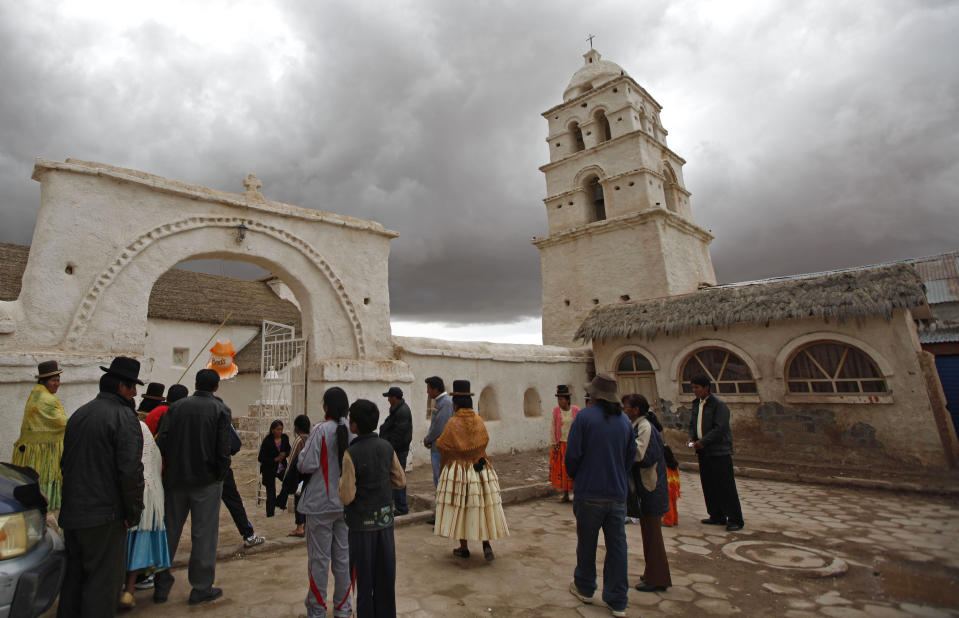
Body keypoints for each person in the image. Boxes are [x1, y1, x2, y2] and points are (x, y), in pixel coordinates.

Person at [57, 356, 145, 618]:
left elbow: (65, 463)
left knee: (74, 581)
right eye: (132, 387)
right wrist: (133, 511)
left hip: (73, 513)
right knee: (102, 584)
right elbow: (130, 471)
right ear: (122, 387)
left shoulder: (79, 414)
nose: (135, 393)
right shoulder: (123, 417)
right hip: (104, 515)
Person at [153, 368, 232, 606]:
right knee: (204, 535)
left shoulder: (176, 408)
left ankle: (160, 583)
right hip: (206, 481)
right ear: (216, 386)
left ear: (196, 384)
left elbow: (162, 441)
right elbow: (223, 449)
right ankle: (200, 587)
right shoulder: (220, 409)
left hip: (176, 479)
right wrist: (220, 474)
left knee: (169, 530)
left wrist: (172, 466)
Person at [565, 374, 636, 618]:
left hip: (590, 493)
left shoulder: (584, 418)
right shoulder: (625, 421)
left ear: (594, 395)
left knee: (587, 543)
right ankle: (618, 600)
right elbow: (630, 457)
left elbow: (572, 455)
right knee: (618, 546)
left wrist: (579, 476)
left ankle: (585, 587)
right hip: (616, 494)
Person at [339, 399, 407, 618]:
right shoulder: (387, 447)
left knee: (364, 580)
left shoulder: (351, 453)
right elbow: (400, 481)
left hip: (361, 526)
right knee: (385, 577)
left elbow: (347, 496)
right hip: (385, 523)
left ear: (355, 425)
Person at [434, 380, 509, 560]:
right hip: (480, 469)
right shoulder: (478, 420)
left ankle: (463, 546)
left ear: (456, 403)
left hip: (459, 470)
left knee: (461, 507)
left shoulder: (453, 423)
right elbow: (485, 440)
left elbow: (442, 444)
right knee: (481, 505)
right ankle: (486, 544)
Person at [297, 387, 354, 618]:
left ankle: (317, 611)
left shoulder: (320, 430)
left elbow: (306, 464)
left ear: (326, 407)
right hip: (346, 505)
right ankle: (343, 609)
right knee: (343, 558)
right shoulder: (353, 430)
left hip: (320, 504)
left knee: (319, 561)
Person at [119, 417, 171, 609]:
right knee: (137, 544)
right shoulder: (139, 427)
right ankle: (129, 590)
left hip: (120, 495)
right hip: (145, 494)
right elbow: (154, 458)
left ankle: (119, 589)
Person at [623, 394, 671, 593]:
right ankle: (652, 571)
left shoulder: (645, 427)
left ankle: (658, 577)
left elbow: (641, 455)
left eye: (626, 407)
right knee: (647, 532)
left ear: (635, 410)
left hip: (651, 486)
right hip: (645, 487)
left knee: (653, 535)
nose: (624, 410)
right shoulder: (637, 426)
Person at [688, 374, 744, 532]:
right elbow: (693, 424)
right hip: (703, 452)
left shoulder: (718, 405)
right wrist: (692, 438)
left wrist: (703, 441)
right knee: (709, 484)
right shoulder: (696, 404)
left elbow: (720, 428)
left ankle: (735, 518)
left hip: (719, 451)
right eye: (692, 388)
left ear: (706, 387)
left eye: (697, 387)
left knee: (725, 486)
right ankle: (716, 515)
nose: (694, 390)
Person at [13, 360, 67, 511]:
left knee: (33, 482)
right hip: (43, 453)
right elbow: (61, 422)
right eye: (53, 380)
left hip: (33, 451)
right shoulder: (46, 400)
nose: (57, 384)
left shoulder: (36, 394)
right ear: (43, 381)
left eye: (58, 380)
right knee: (43, 480)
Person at [277, 413, 312, 537]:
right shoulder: (312, 438)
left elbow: (292, 461)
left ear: (297, 427)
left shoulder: (299, 440)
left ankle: (299, 527)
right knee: (307, 500)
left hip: (299, 479)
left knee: (298, 500)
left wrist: (286, 477)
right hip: (310, 478)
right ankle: (307, 525)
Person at [379, 386, 412, 516]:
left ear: (394, 398)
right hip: (396, 449)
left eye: (389, 397)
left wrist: (389, 448)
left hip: (398, 450)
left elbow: (398, 434)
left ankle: (402, 507)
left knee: (398, 477)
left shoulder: (402, 411)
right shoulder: (397, 409)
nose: (388, 400)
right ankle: (397, 505)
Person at [550, 384, 580, 503]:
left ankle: (576, 492)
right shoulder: (556, 411)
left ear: (567, 400)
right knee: (562, 470)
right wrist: (554, 442)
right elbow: (553, 426)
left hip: (572, 443)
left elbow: (579, 427)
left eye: (561, 399)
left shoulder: (576, 411)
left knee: (573, 468)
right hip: (561, 443)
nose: (559, 402)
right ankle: (565, 494)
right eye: (558, 399)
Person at [423, 376, 453, 487]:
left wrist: (428, 439)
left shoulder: (445, 403)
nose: (427, 392)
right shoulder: (440, 402)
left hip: (441, 448)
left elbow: (439, 427)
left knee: (440, 478)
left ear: (436, 389)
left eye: (429, 389)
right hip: (437, 446)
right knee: (438, 477)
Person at [258, 419, 290, 517]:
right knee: (270, 493)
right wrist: (274, 459)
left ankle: (280, 501)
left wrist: (285, 454)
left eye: (281, 429)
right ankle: (270, 514)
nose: (280, 431)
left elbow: (289, 450)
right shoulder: (267, 441)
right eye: (277, 429)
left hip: (281, 467)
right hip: (269, 470)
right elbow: (261, 458)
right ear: (272, 430)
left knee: (288, 482)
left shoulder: (284, 438)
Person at [662, 445, 681, 527]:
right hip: (675, 486)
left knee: (667, 504)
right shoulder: (674, 464)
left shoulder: (664, 466)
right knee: (673, 504)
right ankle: (675, 519)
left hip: (667, 486)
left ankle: (668, 520)